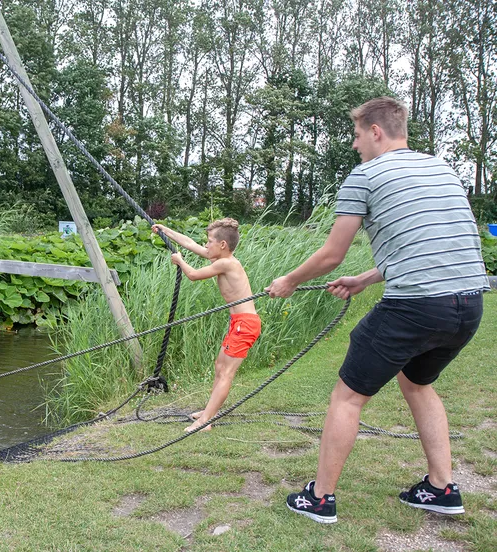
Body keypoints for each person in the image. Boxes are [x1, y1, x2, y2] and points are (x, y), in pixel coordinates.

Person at [267, 96, 489, 524]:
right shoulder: (442, 168)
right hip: (468, 305)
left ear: (375, 131)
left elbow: (332, 254)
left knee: (348, 397)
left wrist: (289, 281)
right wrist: (366, 279)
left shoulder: (365, 175)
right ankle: (441, 488)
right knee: (417, 383)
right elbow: (428, 247)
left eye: (355, 136)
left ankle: (319, 499)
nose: (354, 146)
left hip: (415, 307)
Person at [152, 219, 261, 433]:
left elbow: (192, 275)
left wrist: (180, 261)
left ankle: (205, 422)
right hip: (238, 323)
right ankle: (207, 413)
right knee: (220, 368)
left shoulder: (226, 263)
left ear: (222, 245)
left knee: (226, 373)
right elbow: (191, 244)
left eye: (210, 241)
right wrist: (166, 231)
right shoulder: (221, 258)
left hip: (245, 325)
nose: (206, 245)